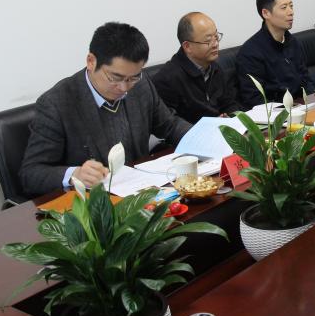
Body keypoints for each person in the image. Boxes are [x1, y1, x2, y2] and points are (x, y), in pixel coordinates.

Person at [19, 22, 191, 197]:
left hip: (142, 192)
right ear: (91, 61)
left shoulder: (140, 84)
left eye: (132, 78)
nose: (124, 87)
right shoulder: (57, 103)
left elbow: (169, 125)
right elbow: (31, 174)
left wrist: (202, 138)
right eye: (115, 77)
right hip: (94, 203)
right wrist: (74, 174)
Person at [152, 12, 242, 123]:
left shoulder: (215, 68)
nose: (215, 44)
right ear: (187, 46)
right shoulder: (167, 79)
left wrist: (234, 119)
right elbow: (170, 125)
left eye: (216, 37)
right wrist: (211, 125)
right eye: (208, 41)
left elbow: (229, 104)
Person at [236, 0, 314, 107]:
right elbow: (255, 100)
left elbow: (306, 80)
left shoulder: (293, 42)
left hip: (303, 107)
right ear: (266, 13)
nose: (291, 12)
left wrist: (313, 102)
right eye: (284, 8)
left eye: (291, 6)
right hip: (277, 113)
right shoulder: (250, 52)